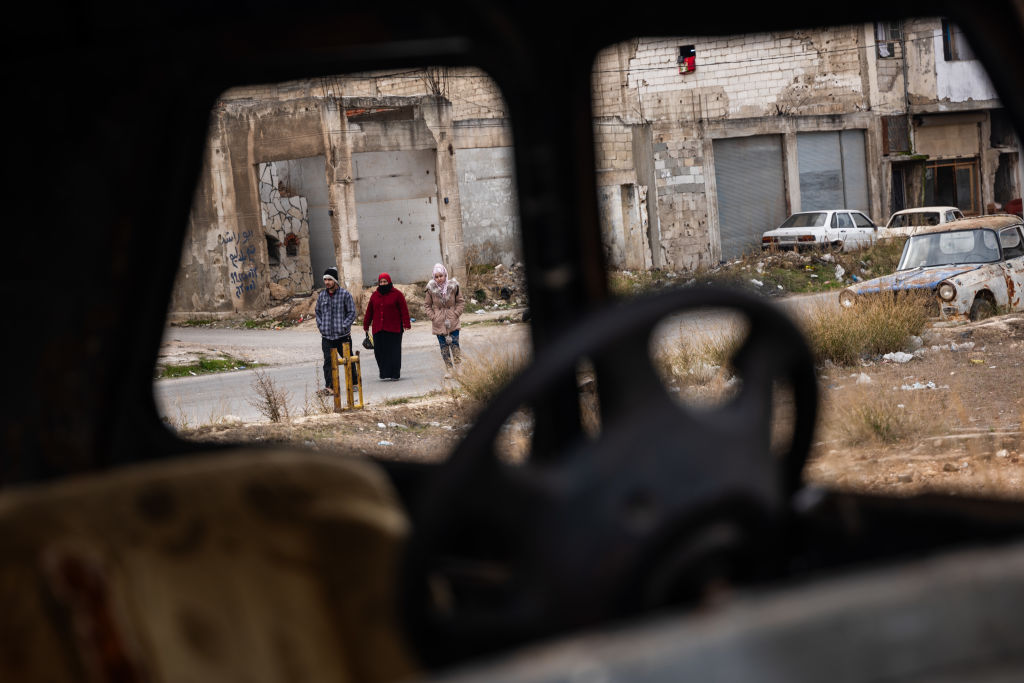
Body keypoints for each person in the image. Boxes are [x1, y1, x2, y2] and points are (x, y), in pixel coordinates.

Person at [315, 267, 357, 396]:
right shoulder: (322, 296)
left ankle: (354, 384)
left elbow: (352, 312)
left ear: (335, 281)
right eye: (325, 280)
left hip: (342, 336)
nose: (327, 282)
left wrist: (344, 326)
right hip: (327, 336)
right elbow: (318, 312)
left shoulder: (345, 295)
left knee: (348, 359)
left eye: (329, 279)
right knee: (328, 361)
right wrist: (321, 326)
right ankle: (330, 387)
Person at [363, 272, 411, 381]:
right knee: (379, 351)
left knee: (394, 352)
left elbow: (404, 309)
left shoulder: (397, 294)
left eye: (385, 281)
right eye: (381, 282)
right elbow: (369, 311)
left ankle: (395, 373)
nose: (383, 284)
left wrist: (406, 323)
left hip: (394, 328)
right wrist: (366, 324)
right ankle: (384, 372)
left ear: (389, 282)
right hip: (378, 329)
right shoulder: (374, 295)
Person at [423, 263, 465, 378]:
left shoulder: (454, 286)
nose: (439, 278)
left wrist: (456, 314)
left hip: (453, 321)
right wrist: (433, 317)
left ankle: (459, 368)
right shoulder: (430, 289)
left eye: (441, 276)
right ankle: (449, 369)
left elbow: (460, 302)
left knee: (455, 345)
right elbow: (427, 305)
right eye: (436, 277)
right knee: (444, 347)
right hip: (439, 322)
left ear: (445, 275)